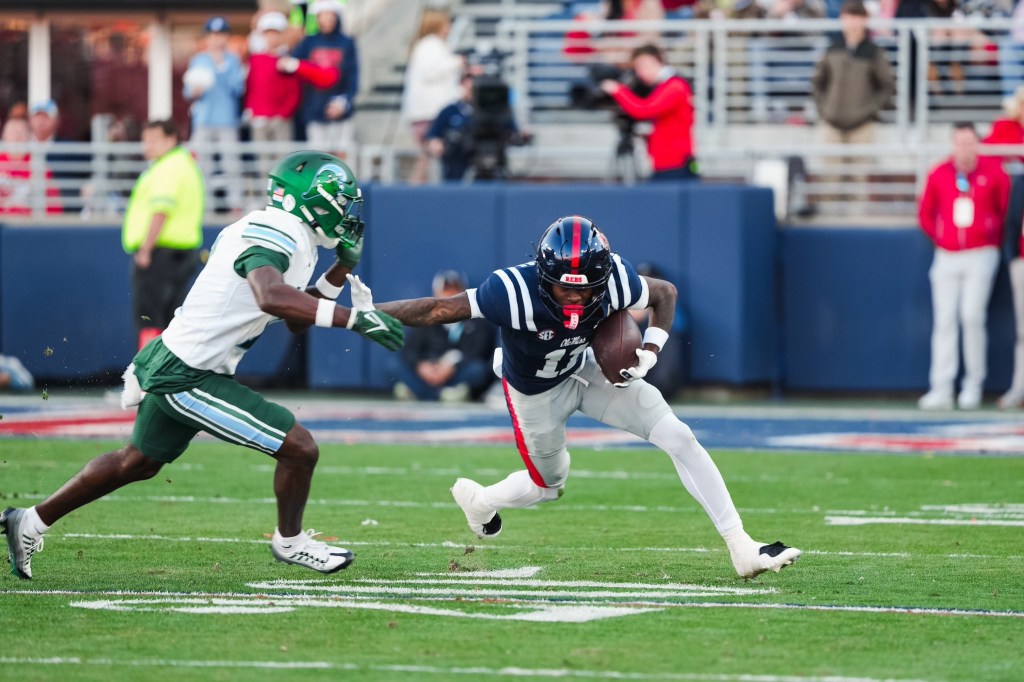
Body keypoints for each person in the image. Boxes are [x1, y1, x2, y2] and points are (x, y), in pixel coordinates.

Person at [0, 151, 405, 580]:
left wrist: (340, 267)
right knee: (300, 448)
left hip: (185, 362)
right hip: (188, 373)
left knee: (136, 462)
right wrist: (354, 319)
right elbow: (271, 296)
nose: (346, 212)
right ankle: (291, 542)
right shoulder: (276, 228)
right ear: (310, 200)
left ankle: (29, 520)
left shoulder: (297, 238)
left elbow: (294, 322)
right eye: (339, 201)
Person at [370, 215, 801, 579]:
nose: (576, 297)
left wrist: (650, 351)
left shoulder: (616, 279)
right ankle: (481, 502)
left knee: (678, 435)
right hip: (534, 392)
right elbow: (434, 309)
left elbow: (665, 293)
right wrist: (357, 314)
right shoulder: (511, 290)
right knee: (548, 488)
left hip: (586, 370)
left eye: (585, 288)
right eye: (564, 288)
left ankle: (741, 546)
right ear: (542, 277)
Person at [918, 122, 1011, 410]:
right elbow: (925, 213)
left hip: (980, 253)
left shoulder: (993, 172)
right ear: (952, 144)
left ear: (977, 144)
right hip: (947, 254)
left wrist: (988, 236)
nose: (964, 149)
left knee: (971, 317)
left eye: (969, 142)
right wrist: (941, 237)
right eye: (959, 143)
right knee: (944, 320)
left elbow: (1005, 210)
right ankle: (942, 387)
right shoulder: (939, 172)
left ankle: (973, 384)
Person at [122, 120, 205, 352]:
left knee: (149, 317)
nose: (147, 145)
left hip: (161, 254)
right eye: (145, 138)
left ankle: (145, 379)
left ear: (171, 139)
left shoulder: (168, 167)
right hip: (182, 254)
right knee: (172, 319)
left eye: (154, 139)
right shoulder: (185, 164)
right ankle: (168, 380)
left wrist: (146, 249)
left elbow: (161, 211)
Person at [245, 11, 339, 182]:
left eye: (275, 33)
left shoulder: (288, 60)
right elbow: (251, 87)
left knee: (282, 162)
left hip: (281, 119)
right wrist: (252, 111)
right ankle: (263, 199)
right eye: (268, 33)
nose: (271, 38)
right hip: (259, 118)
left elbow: (295, 91)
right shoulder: (256, 59)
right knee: (262, 163)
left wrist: (285, 112)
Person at [392, 269, 496, 402]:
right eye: (446, 290)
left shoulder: (476, 320)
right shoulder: (424, 318)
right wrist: (421, 366)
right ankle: (439, 394)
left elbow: (478, 352)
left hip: (456, 374)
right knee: (393, 366)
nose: (450, 295)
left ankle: (422, 393)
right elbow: (410, 350)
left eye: (455, 290)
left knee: (478, 370)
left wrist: (452, 367)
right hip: (428, 372)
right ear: (436, 293)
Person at [600, 43, 699, 182]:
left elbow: (644, 110)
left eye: (643, 66)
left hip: (675, 164)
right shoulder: (664, 86)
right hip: (664, 162)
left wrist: (618, 90)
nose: (640, 73)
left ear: (657, 61)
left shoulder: (675, 85)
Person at [811, 0, 894, 151]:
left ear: (865, 20)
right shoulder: (832, 48)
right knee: (829, 173)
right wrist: (824, 109)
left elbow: (887, 85)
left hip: (862, 126)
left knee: (859, 173)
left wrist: (871, 110)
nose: (853, 23)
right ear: (842, 19)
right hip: (832, 124)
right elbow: (818, 81)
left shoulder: (874, 52)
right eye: (849, 17)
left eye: (857, 17)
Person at [183, 16, 246, 213]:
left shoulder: (233, 60)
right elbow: (187, 91)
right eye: (213, 35)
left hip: (227, 119)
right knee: (202, 165)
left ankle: (235, 204)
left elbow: (238, 88)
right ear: (207, 37)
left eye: (221, 34)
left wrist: (221, 68)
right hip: (203, 120)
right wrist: (195, 91)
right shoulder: (199, 59)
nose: (217, 39)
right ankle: (204, 204)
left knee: (231, 164)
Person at [400, 9, 464, 185]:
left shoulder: (430, 45)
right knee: (430, 156)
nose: (450, 29)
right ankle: (418, 194)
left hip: (428, 111)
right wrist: (458, 62)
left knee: (426, 159)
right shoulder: (430, 45)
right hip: (429, 112)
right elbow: (431, 73)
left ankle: (418, 192)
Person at [425, 73, 527, 182]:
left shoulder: (499, 111)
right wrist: (436, 144)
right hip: (458, 164)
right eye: (471, 82)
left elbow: (515, 134)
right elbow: (432, 137)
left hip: (493, 159)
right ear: (463, 84)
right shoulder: (449, 111)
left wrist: (521, 136)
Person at [293, 0, 360, 160]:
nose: (327, 19)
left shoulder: (347, 42)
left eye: (330, 15)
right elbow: (294, 66)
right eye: (323, 15)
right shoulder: (308, 42)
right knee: (317, 159)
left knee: (344, 159)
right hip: (314, 111)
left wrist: (343, 102)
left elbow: (353, 76)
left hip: (340, 113)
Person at [0, 117, 61, 215]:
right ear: (4, 136)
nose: (16, 137)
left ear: (28, 137)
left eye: (20, 133)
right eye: (12, 132)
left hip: (29, 225)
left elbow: (54, 207)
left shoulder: (39, 166)